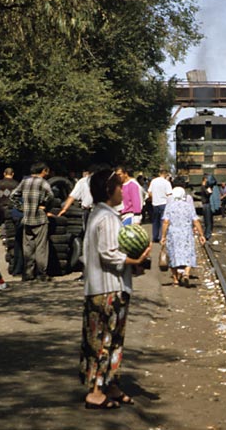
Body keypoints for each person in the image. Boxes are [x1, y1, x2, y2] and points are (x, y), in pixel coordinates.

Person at [79, 169, 151, 409]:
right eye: (119, 187)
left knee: (111, 339)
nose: (123, 190)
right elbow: (109, 254)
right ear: (109, 190)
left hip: (103, 287)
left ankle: (110, 384)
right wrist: (137, 261)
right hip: (108, 289)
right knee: (104, 340)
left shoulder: (99, 214)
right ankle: (96, 391)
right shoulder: (108, 218)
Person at [10, 162, 54, 282]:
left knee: (28, 247)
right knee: (41, 247)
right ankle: (42, 274)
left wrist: (22, 208)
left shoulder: (25, 181)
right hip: (40, 218)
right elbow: (51, 195)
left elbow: (13, 196)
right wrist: (43, 204)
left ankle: (28, 274)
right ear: (44, 170)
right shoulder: (43, 183)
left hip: (27, 218)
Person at [161, 187, 206, 287]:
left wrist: (163, 236)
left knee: (173, 254)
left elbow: (165, 222)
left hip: (173, 234)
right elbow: (196, 220)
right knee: (188, 253)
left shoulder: (170, 206)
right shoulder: (188, 206)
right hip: (186, 233)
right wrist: (201, 234)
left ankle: (175, 280)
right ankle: (186, 273)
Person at [148, 169, 172, 242]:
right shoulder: (166, 183)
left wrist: (154, 197)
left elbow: (149, 192)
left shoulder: (153, 181)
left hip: (155, 203)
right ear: (165, 174)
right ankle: (162, 237)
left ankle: (155, 237)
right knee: (163, 221)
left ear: (159, 173)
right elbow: (169, 194)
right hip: (164, 203)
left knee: (155, 221)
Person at [0, 167, 18, 232]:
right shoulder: (16, 184)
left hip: (1, 205)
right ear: (12, 174)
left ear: (4, 173)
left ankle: (4, 235)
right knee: (12, 222)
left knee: (3, 221)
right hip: (12, 206)